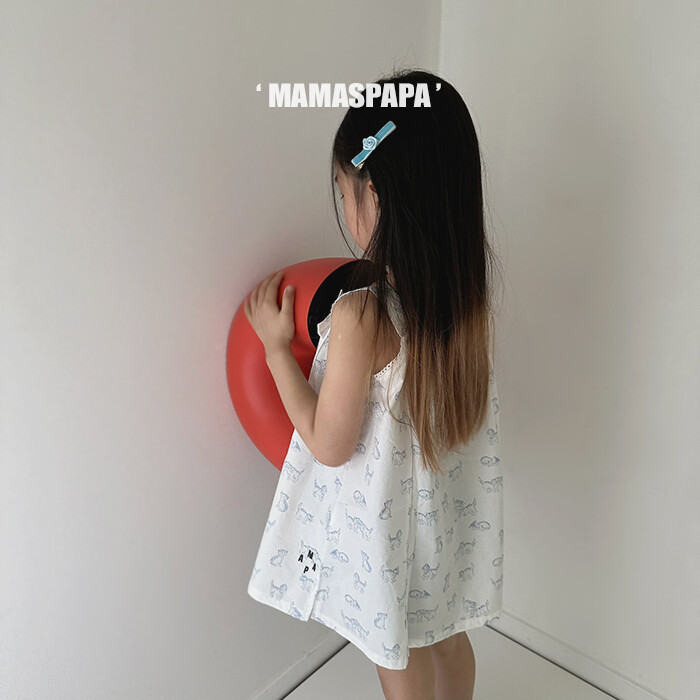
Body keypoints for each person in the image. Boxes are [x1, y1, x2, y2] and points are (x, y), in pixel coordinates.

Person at [245, 68, 504, 700]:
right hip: (444, 524)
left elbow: (330, 444)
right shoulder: (465, 305)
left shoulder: (361, 315)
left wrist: (276, 348)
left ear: (377, 197)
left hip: (388, 539)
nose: (344, 207)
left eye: (345, 190)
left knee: (396, 650)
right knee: (447, 638)